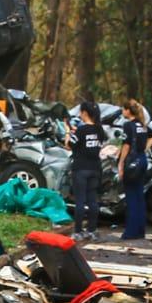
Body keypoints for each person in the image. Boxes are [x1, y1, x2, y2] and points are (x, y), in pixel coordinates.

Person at [68, 102, 106, 240]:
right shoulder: (100, 130)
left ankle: (78, 231)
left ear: (85, 113)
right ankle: (92, 230)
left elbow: (70, 145)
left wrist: (69, 133)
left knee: (80, 201)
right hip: (95, 168)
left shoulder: (81, 130)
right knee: (92, 200)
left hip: (80, 168)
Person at [117, 98, 151, 241]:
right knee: (139, 196)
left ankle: (130, 231)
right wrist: (144, 148)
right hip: (142, 159)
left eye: (123, 109)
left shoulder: (128, 125)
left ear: (128, 111)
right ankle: (140, 230)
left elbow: (126, 145)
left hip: (132, 162)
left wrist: (121, 163)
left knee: (130, 197)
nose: (122, 112)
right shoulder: (142, 125)